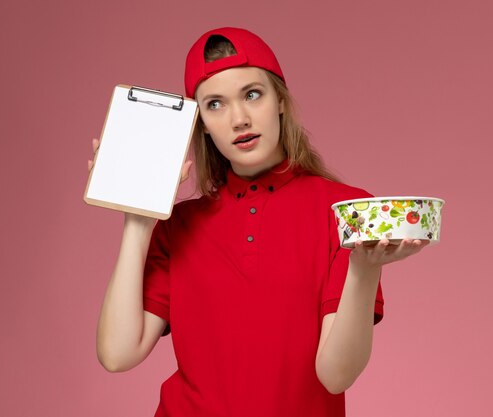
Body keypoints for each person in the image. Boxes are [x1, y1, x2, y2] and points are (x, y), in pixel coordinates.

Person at [90, 27, 429, 417]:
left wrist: (364, 272)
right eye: (215, 104)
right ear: (199, 122)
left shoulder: (347, 211)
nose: (239, 119)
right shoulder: (178, 226)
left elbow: (336, 376)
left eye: (252, 95)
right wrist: (139, 220)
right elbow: (117, 354)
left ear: (280, 101)